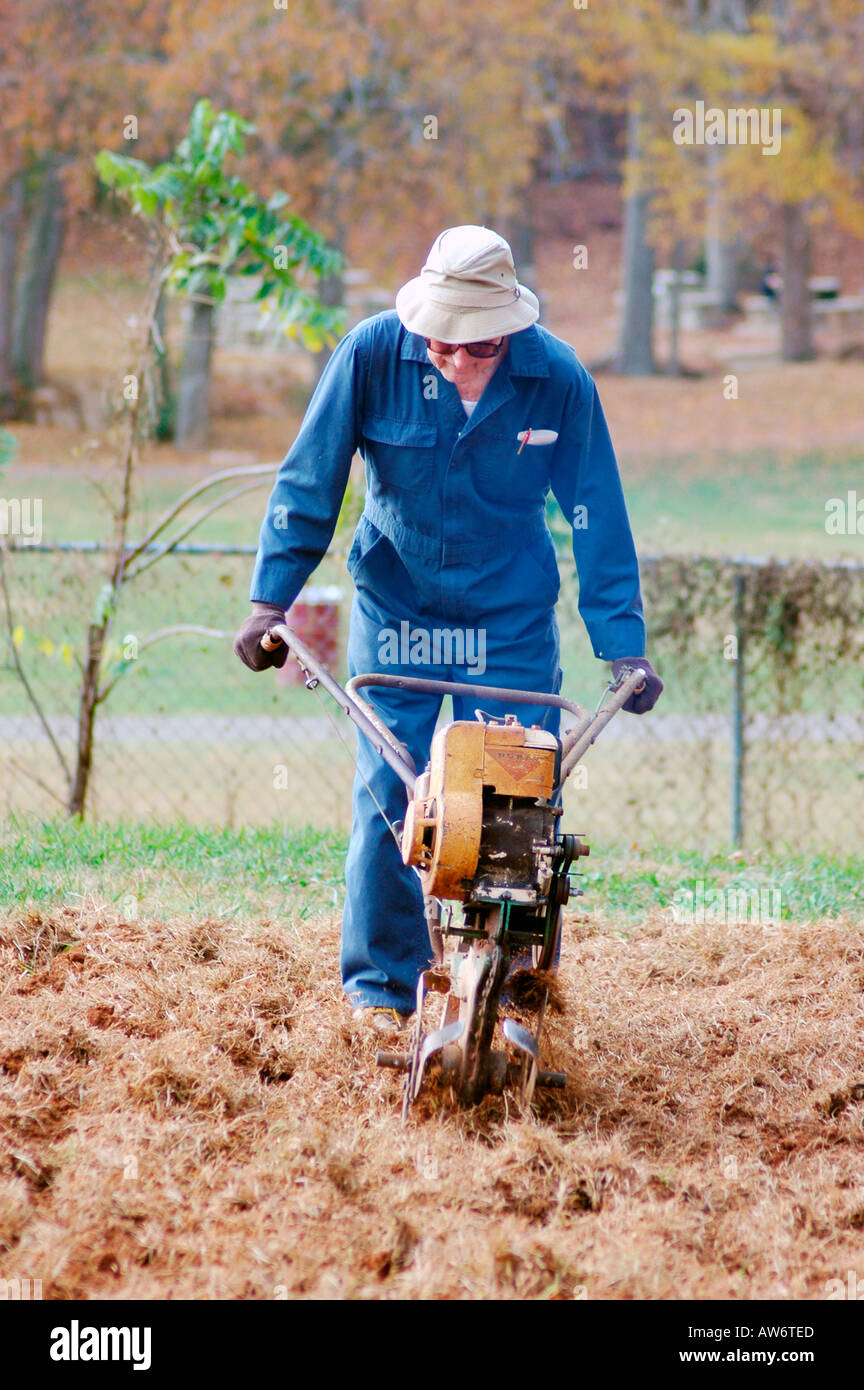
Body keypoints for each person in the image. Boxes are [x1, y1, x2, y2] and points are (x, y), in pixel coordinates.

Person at [234, 224, 663, 1036]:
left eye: (477, 348)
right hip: (399, 610)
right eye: (440, 344)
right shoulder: (370, 355)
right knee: (389, 797)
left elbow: (594, 510)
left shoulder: (558, 378)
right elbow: (310, 478)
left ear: (509, 329)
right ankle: (381, 992)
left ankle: (508, 987)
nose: (455, 360)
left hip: (508, 618)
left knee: (511, 801)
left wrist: (623, 644)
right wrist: (270, 600)